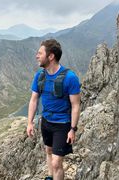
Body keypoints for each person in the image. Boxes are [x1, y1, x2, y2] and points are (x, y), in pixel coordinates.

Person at [26, 39, 81, 180]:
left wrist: (73, 129)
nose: (36, 56)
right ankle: (50, 177)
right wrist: (30, 122)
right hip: (46, 122)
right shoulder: (40, 76)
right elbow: (34, 99)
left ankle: (55, 174)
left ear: (51, 56)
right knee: (49, 151)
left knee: (57, 163)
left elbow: (75, 105)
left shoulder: (70, 78)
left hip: (62, 125)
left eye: (40, 53)